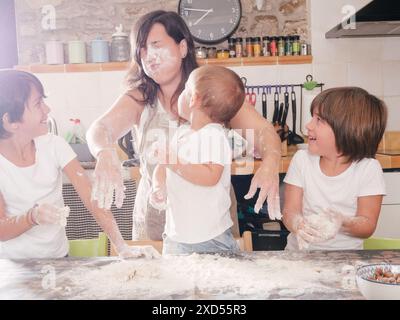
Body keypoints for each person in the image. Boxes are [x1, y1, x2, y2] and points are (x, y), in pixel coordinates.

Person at [87, 10, 282, 241]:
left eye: (156, 45)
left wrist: (270, 160)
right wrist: (104, 152)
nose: (148, 56)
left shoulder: (211, 93)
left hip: (211, 226)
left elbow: (263, 131)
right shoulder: (139, 98)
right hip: (156, 219)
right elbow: (99, 129)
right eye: (142, 50)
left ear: (182, 47)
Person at [0, 69, 159, 259]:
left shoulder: (54, 145)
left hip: (58, 259)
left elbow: (93, 199)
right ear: (10, 121)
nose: (47, 109)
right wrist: (31, 217)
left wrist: (121, 246)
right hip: (13, 268)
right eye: (37, 104)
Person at [149, 65, 244, 254]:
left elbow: (210, 176)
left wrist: (174, 163)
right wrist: (158, 186)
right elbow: (163, 167)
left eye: (186, 89)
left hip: (211, 239)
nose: (181, 93)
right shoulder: (181, 133)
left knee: (217, 283)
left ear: (193, 98)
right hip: (176, 237)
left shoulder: (215, 136)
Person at [282, 87, 387, 250]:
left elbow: (367, 226)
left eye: (319, 120)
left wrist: (342, 222)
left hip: (346, 261)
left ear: (347, 130)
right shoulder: (301, 160)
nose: (308, 125)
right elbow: (290, 211)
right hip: (299, 258)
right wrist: (297, 224)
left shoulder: (368, 169)